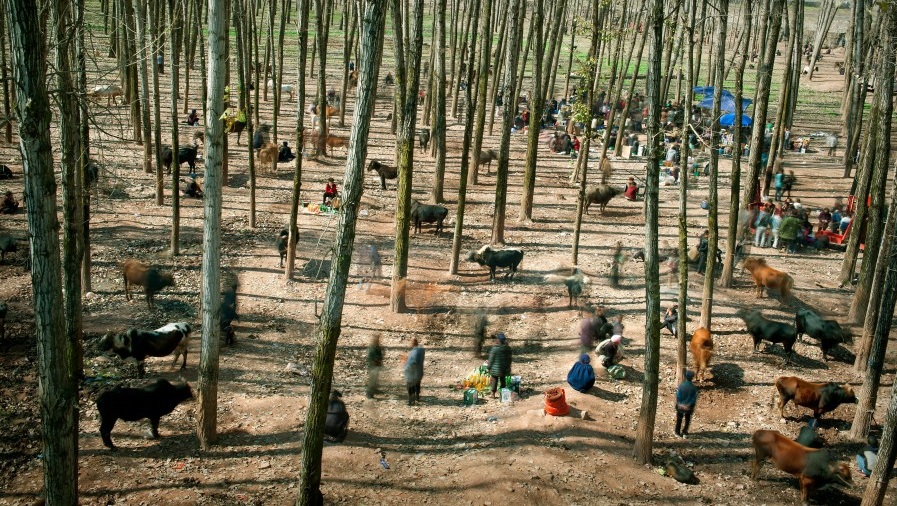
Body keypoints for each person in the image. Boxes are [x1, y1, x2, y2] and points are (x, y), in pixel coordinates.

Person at [487, 333, 512, 398]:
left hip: (495, 369)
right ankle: (503, 395)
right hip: (504, 369)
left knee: (494, 380)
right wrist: (508, 367)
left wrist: (488, 367)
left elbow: (491, 359)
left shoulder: (494, 349)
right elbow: (509, 359)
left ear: (498, 340)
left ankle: (493, 393)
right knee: (503, 380)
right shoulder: (508, 349)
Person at [675, 370, 698, 438]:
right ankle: (685, 432)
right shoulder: (693, 388)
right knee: (687, 419)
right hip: (688, 407)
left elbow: (678, 396)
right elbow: (694, 399)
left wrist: (680, 403)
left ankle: (677, 432)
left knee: (679, 419)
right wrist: (690, 404)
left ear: (685, 377)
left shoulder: (681, 386)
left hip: (680, 406)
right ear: (692, 378)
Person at [403, 338, 425, 406]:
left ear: (413, 343)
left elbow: (413, 362)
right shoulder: (421, 350)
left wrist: (406, 367)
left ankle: (411, 401)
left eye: (410, 342)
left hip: (412, 372)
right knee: (417, 384)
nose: (409, 344)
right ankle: (417, 397)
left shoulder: (415, 351)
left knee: (410, 386)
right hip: (419, 371)